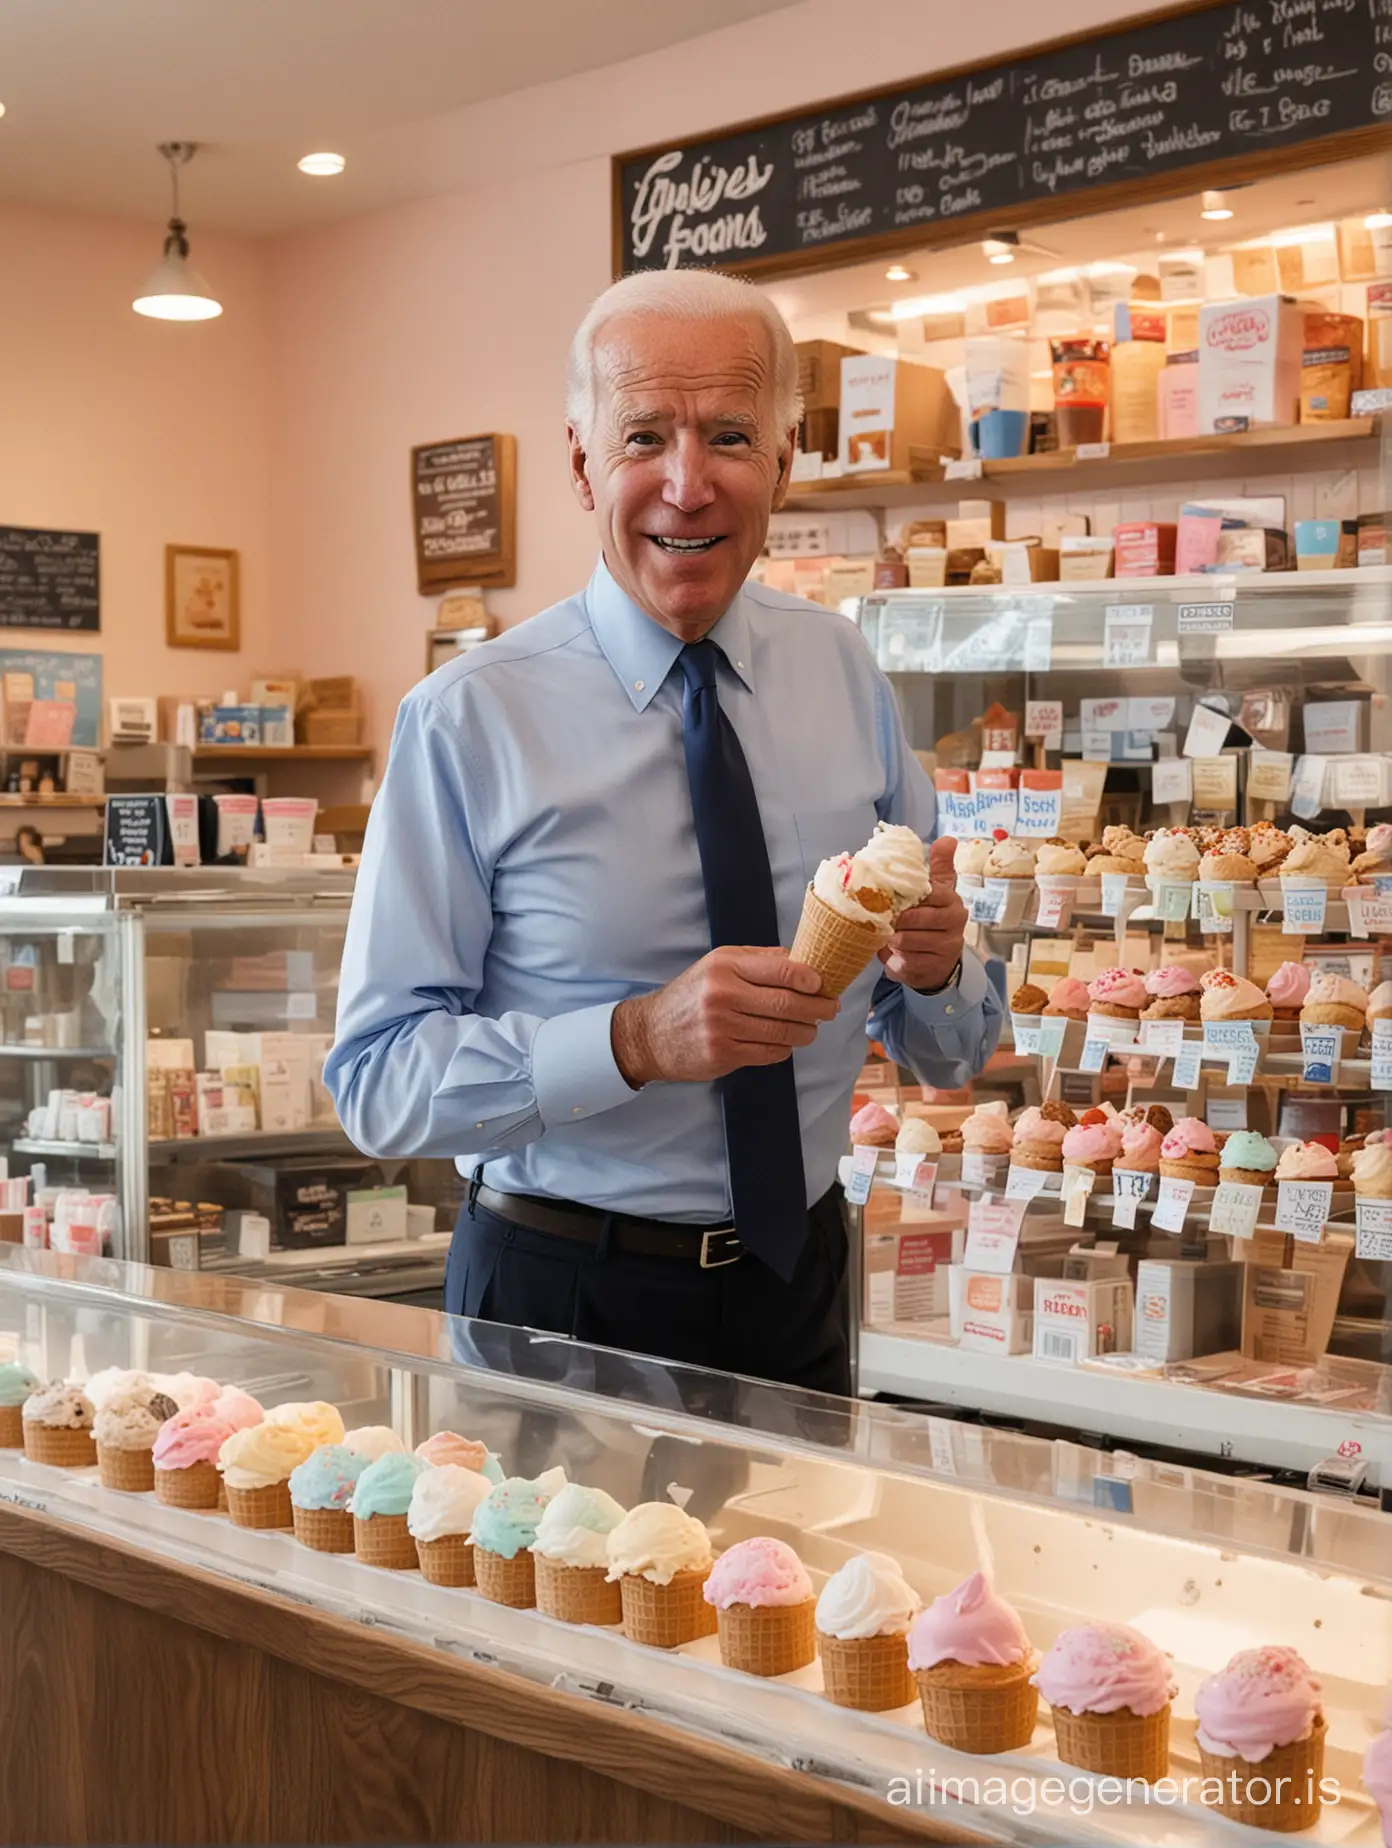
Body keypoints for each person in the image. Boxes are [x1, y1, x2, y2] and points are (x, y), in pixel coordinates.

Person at [326, 268, 1001, 1394]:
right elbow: (378, 1084)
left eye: (731, 434)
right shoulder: (469, 716)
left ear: (785, 462)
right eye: (645, 435)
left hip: (800, 1291)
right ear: (583, 462)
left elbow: (951, 1047)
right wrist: (635, 1040)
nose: (688, 485)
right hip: (560, 1298)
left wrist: (936, 973)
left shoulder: (842, 670)